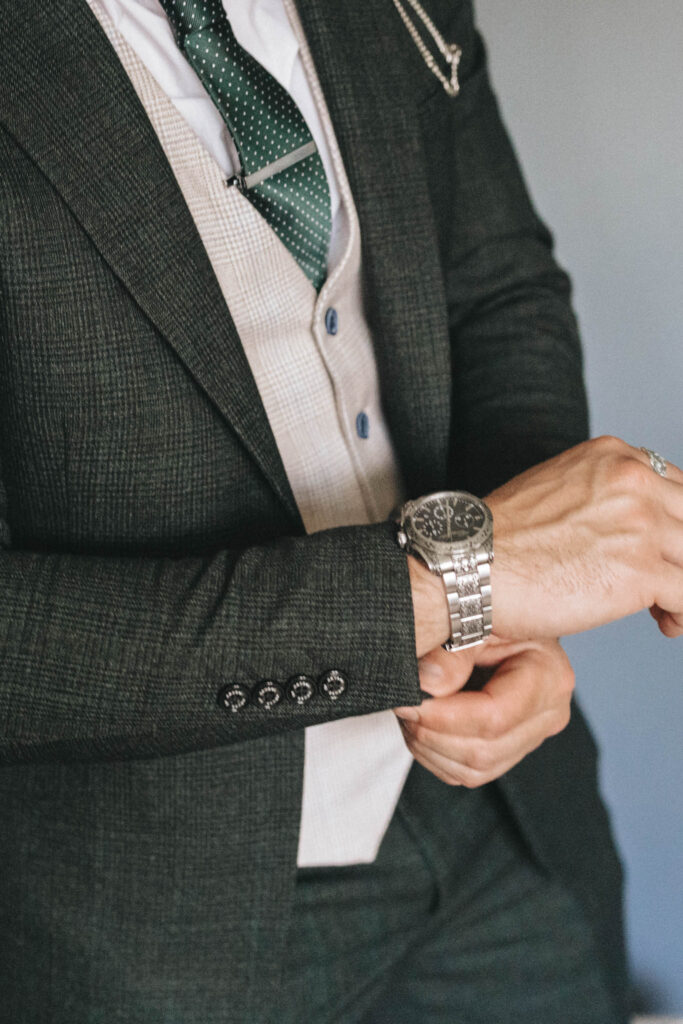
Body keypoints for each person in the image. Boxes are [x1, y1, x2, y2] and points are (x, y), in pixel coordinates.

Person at [1, 0, 681, 1020]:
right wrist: (458, 587)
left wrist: (510, 618)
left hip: (503, 837)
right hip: (141, 924)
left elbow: (497, 285)